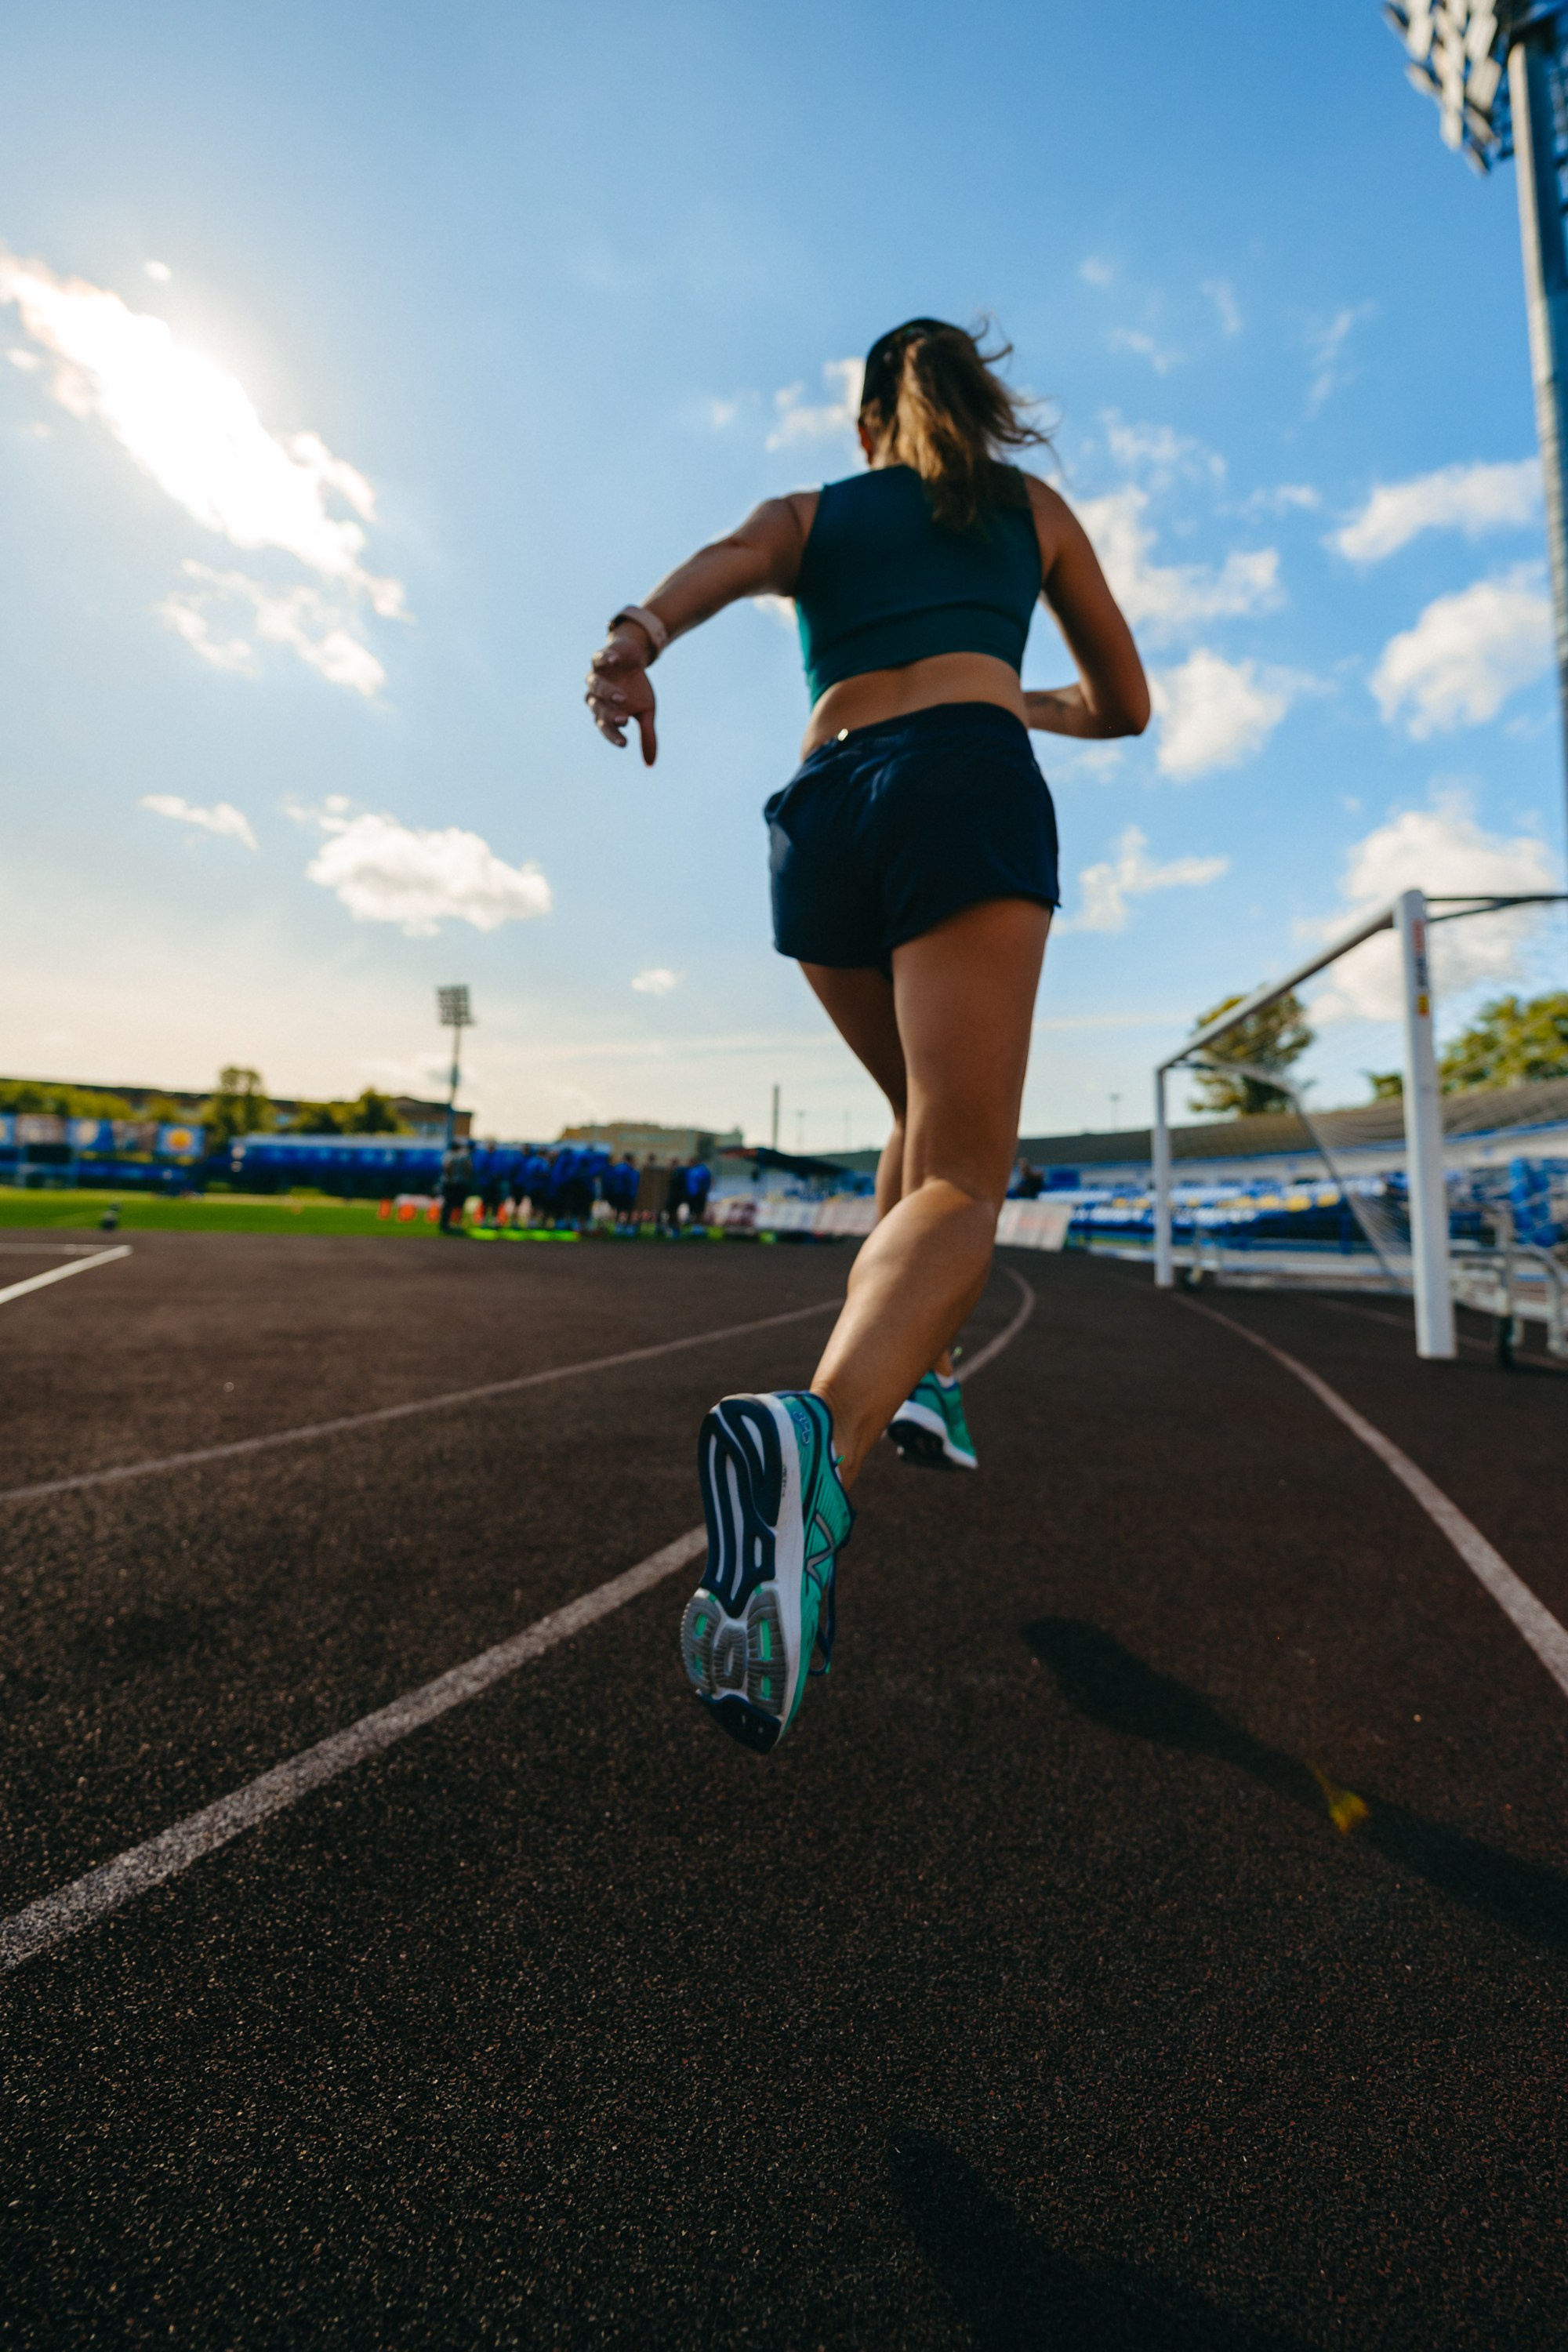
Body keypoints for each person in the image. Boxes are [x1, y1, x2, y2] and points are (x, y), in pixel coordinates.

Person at [586, 317, 1147, 1755]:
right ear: (982, 407)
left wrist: (633, 644)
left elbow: (714, 568)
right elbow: (1128, 706)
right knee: (967, 1176)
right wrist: (1003, 696)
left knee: (913, 1108)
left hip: (821, 809)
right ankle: (818, 1441)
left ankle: (925, 1368)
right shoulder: (1033, 512)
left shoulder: (816, 512)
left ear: (862, 426)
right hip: (963, 780)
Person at [438, 1137, 474, 1236]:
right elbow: (468, 1168)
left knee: (449, 1205)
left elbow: (447, 1167)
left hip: (451, 1183)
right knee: (456, 1204)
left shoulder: (449, 1155)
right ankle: (453, 1225)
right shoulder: (460, 1156)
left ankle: (447, 1225)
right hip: (456, 1183)